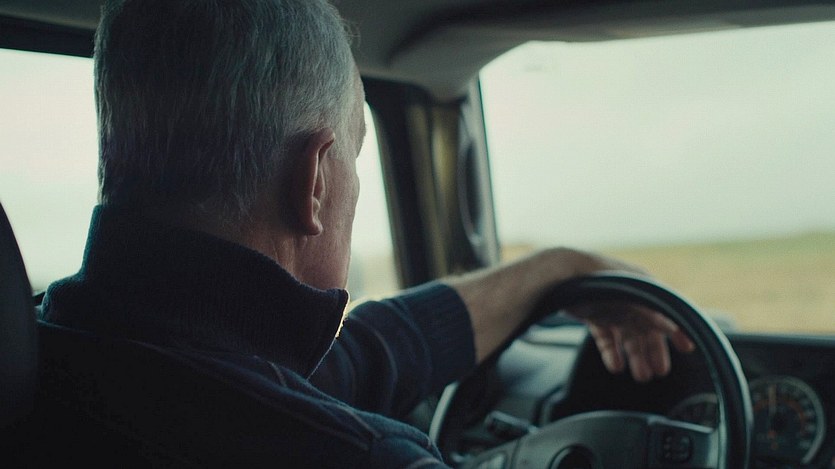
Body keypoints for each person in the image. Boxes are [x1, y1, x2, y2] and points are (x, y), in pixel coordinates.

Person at [40, 0, 694, 466]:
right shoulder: (359, 455)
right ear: (315, 181)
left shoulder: (55, 350)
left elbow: (365, 357)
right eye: (354, 158)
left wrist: (557, 269)